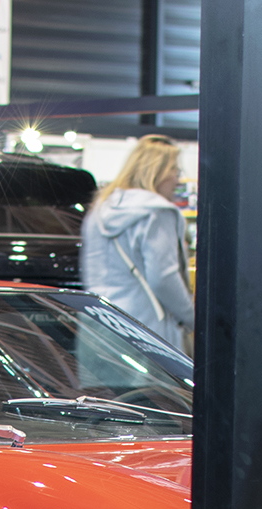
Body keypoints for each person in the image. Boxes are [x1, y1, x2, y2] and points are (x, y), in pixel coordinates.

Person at [80, 135, 195, 349]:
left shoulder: (99, 210)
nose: (178, 180)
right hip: (147, 334)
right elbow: (163, 277)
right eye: (174, 170)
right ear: (155, 171)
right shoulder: (158, 212)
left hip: (100, 329)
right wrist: (192, 317)